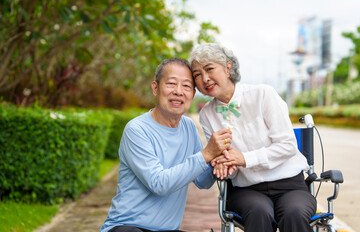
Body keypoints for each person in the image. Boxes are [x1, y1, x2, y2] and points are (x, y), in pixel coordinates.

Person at [189, 43, 317, 232]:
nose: (205, 79)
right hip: (246, 190)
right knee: (259, 212)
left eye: (209, 69)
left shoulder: (263, 94)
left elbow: (288, 145)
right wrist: (224, 166)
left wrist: (244, 158)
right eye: (197, 75)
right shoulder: (207, 114)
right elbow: (227, 167)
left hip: (290, 185)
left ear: (227, 67)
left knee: (294, 213)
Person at [99, 58, 232, 232]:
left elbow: (203, 181)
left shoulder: (189, 127)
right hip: (127, 226)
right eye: (171, 84)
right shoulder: (137, 130)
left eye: (186, 86)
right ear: (155, 88)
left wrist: (220, 159)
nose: (178, 91)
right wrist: (207, 153)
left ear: (192, 94)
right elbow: (159, 184)